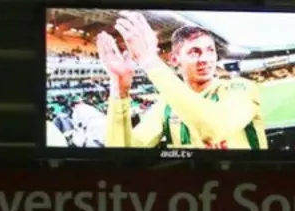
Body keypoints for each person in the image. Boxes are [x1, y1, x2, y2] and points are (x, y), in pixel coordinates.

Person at [98, 12, 268, 150]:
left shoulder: (241, 88)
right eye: (194, 52)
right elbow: (123, 154)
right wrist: (119, 89)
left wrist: (149, 61)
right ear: (173, 59)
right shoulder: (166, 107)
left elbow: (216, 127)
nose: (205, 59)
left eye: (210, 50)